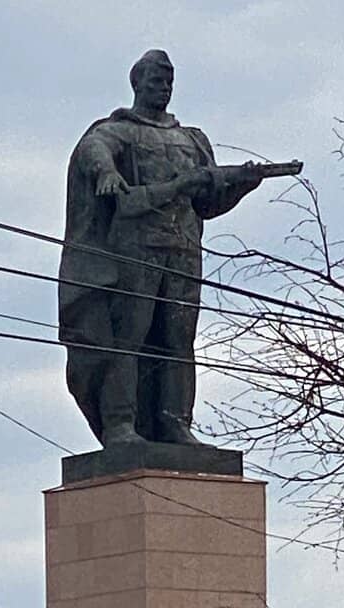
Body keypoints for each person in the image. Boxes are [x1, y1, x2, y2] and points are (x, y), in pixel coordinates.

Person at [58, 50, 263, 447]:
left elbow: (207, 205)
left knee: (178, 342)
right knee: (128, 338)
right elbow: (93, 150)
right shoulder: (119, 131)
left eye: (169, 81)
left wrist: (241, 186)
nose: (164, 88)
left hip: (183, 253)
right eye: (156, 80)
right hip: (135, 252)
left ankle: (175, 423)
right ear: (137, 83)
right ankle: (120, 423)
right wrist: (106, 171)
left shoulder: (192, 139)